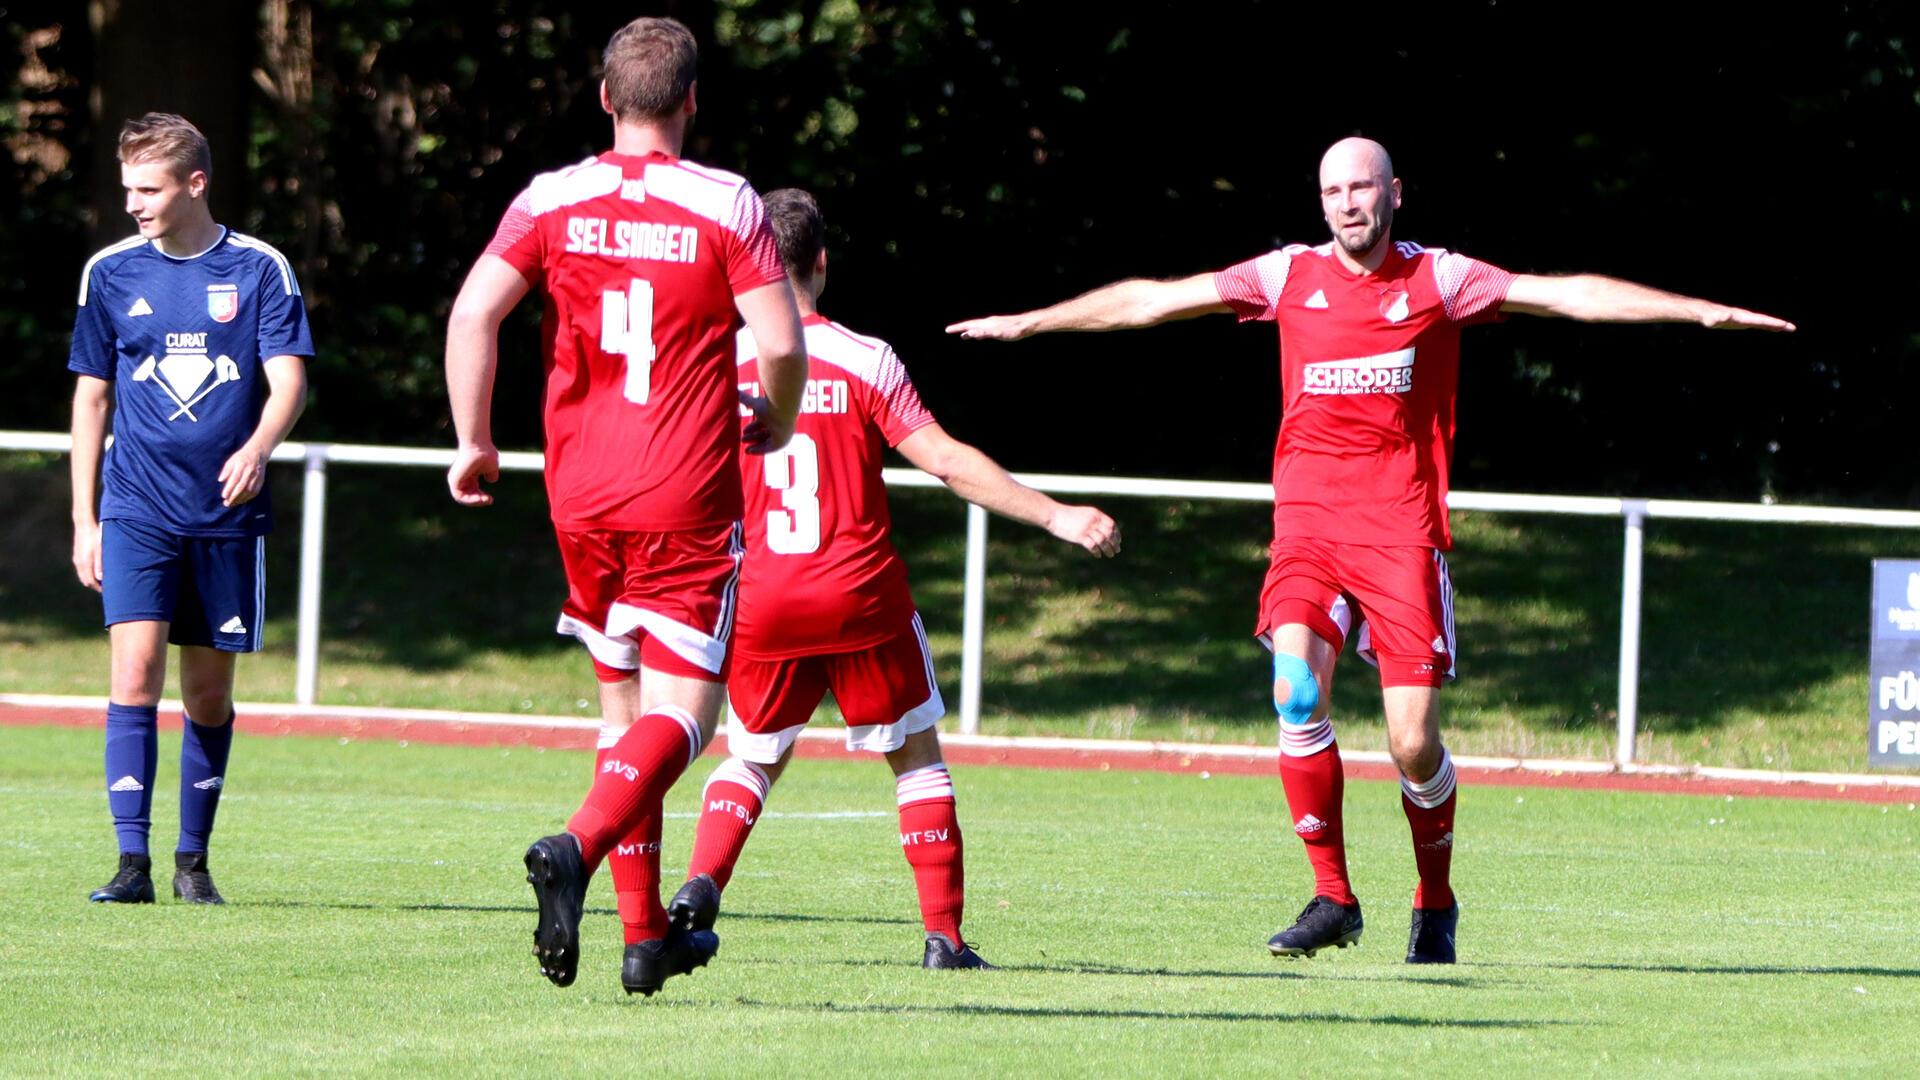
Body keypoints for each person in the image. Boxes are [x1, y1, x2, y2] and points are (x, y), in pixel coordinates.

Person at [946, 136, 1794, 965]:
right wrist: (1034, 322)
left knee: (1412, 745)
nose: (1347, 204)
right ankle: (1335, 897)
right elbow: (1153, 299)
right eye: (1332, 192)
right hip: (1308, 529)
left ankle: (1434, 899)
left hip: (1401, 534)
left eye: (1362, 188)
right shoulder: (1286, 275)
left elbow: (1568, 294)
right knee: (1294, 685)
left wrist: (1698, 309)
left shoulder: (1441, 279)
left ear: (1396, 193)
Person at [443, 16, 807, 996]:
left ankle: (645, 941)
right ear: (692, 101)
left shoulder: (552, 197)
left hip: (582, 492)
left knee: (622, 712)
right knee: (686, 714)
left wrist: (474, 440)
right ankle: (577, 845)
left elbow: (475, 309)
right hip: (684, 484)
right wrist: (774, 420)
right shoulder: (726, 201)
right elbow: (777, 343)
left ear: (605, 99)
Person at [666, 188, 1121, 971]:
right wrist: (1055, 515)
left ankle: (699, 887)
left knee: (749, 758)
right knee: (916, 757)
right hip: (860, 598)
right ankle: (942, 937)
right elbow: (944, 461)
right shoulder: (863, 357)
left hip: (765, 598)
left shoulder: (712, 366)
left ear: (749, 267)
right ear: (822, 264)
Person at [68, 112, 313, 907]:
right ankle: (131, 865)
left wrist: (258, 447)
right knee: (133, 672)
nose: (134, 203)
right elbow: (91, 399)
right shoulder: (109, 272)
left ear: (194, 184)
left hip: (225, 518)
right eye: (128, 188)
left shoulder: (259, 270)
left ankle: (192, 861)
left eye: (150, 188)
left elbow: (288, 383)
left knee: (206, 695)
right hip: (135, 506)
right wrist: (85, 519)